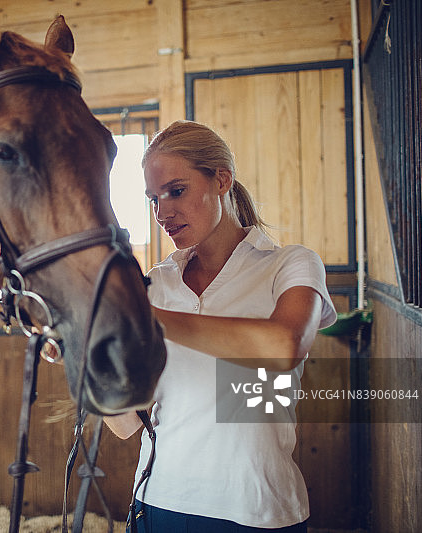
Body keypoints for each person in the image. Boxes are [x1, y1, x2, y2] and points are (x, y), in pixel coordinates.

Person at [105, 120, 337, 532]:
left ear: (221, 180)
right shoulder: (156, 284)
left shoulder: (289, 265)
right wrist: (85, 340)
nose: (163, 212)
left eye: (176, 191)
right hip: (159, 501)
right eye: (153, 199)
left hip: (258, 508)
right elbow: (124, 424)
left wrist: (141, 315)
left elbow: (284, 347)